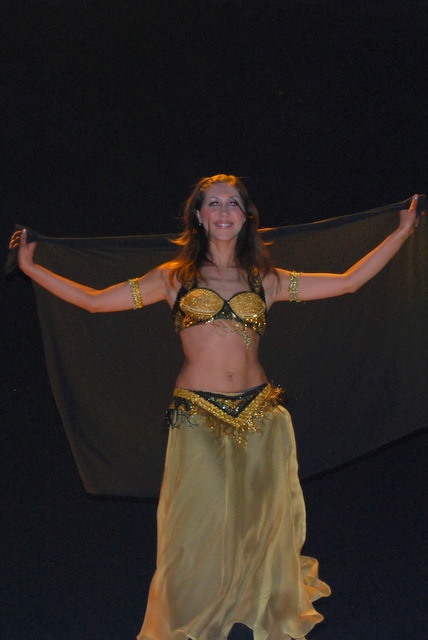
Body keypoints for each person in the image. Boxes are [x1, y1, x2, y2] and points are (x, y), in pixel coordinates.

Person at [9, 175, 422, 640]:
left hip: (260, 411)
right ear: (199, 217)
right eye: (213, 204)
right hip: (197, 413)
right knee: (198, 520)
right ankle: (197, 605)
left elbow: (348, 282)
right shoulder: (173, 277)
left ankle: (258, 595)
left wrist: (401, 232)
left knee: (260, 519)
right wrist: (31, 268)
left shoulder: (266, 280)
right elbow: (94, 302)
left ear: (246, 217)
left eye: (233, 203)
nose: (224, 211)